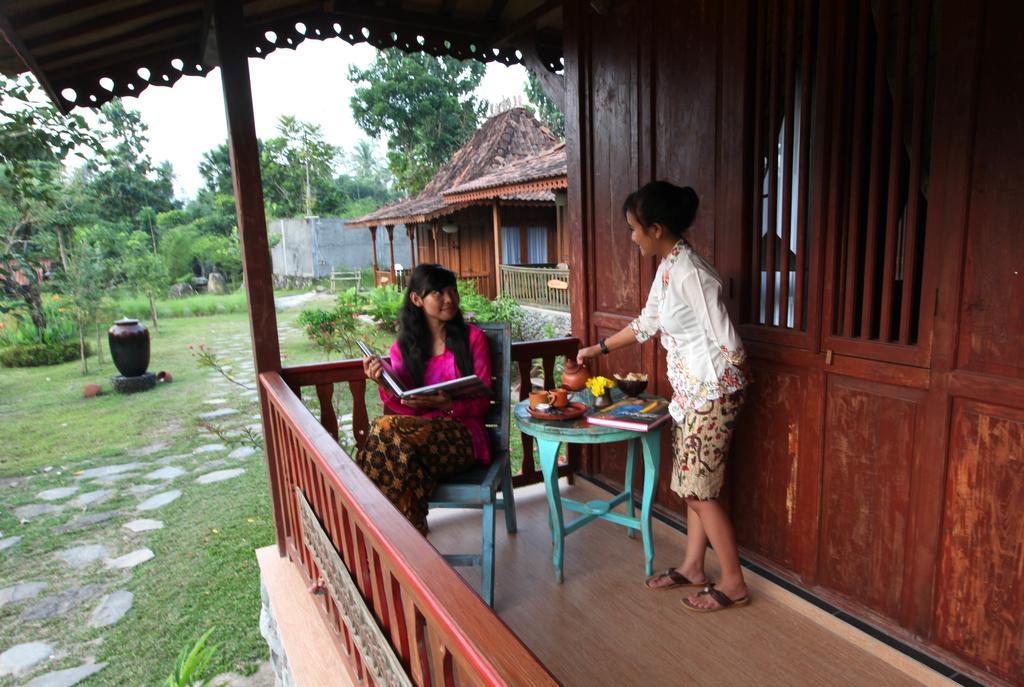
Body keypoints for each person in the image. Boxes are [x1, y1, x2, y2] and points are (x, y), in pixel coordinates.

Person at [576, 181, 751, 612]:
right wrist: (597, 349)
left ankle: (733, 582)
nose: (632, 237)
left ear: (656, 228)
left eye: (634, 229)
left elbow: (731, 345)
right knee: (695, 487)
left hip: (712, 394)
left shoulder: (692, 273)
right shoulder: (670, 264)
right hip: (692, 395)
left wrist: (718, 384)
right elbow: (646, 323)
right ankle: (694, 566)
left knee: (700, 493)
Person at [357, 263, 492, 534]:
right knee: (399, 457)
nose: (449, 299)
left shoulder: (472, 339)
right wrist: (382, 380)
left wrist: (447, 404)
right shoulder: (403, 348)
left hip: (463, 436)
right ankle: (412, 531)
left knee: (381, 433)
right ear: (417, 299)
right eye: (438, 292)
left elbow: (483, 401)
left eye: (452, 290)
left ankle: (378, 537)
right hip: (417, 443)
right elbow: (403, 407)